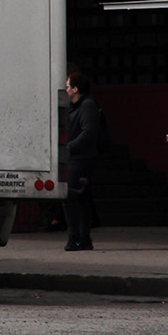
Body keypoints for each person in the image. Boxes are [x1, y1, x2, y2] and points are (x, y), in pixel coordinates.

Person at [63, 64, 101, 251]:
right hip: (78, 158)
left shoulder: (86, 105)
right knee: (80, 199)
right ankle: (82, 238)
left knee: (72, 198)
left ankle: (76, 238)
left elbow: (89, 131)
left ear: (75, 89)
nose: (66, 89)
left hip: (81, 159)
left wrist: (69, 147)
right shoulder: (77, 106)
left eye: (68, 86)